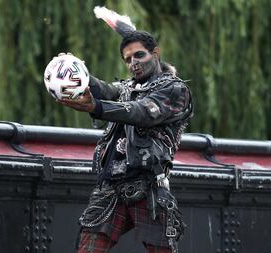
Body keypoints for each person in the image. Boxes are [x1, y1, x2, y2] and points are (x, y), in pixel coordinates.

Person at [57, 8, 193, 253]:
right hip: (111, 186)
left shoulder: (174, 90)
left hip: (149, 186)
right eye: (128, 59)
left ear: (155, 53)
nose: (133, 63)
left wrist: (96, 107)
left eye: (139, 55)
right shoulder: (128, 88)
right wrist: (78, 73)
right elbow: (108, 91)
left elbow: (139, 112)